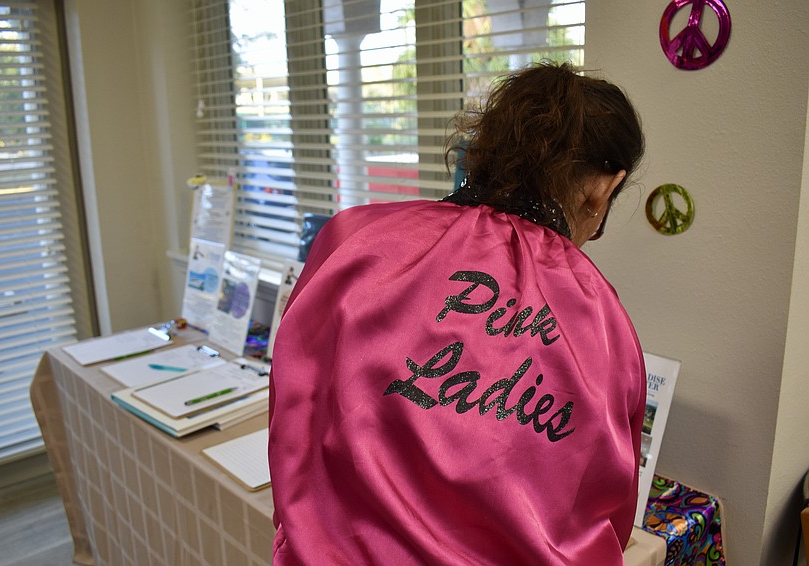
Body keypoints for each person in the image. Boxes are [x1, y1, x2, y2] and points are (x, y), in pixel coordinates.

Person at [268, 61, 646, 565]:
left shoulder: (354, 242)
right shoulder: (602, 320)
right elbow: (603, 516)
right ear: (604, 189)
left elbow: (293, 423)